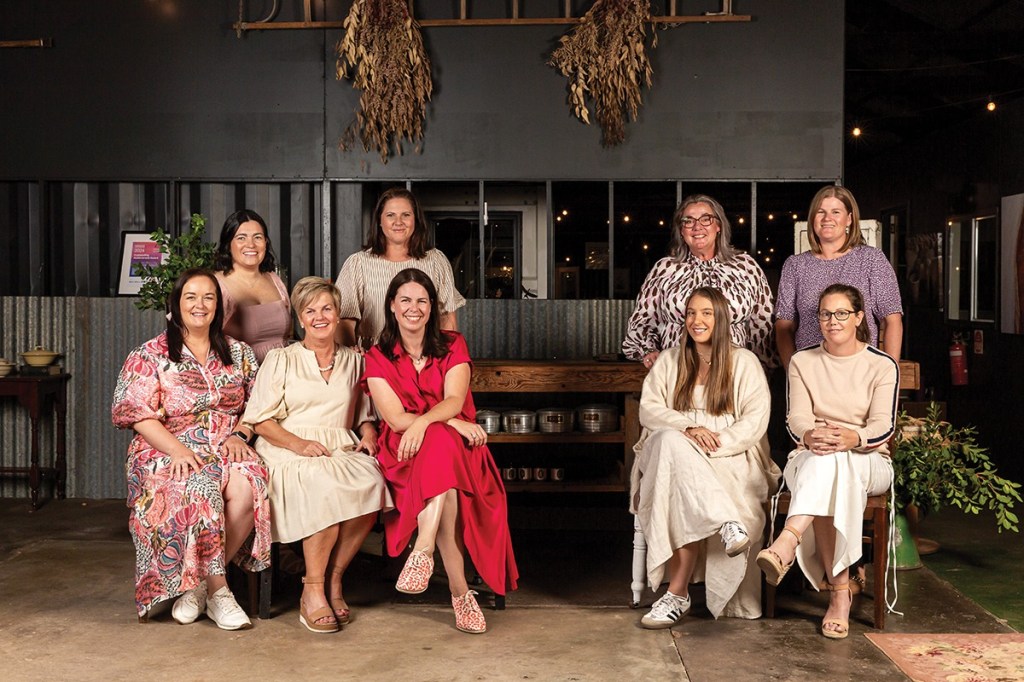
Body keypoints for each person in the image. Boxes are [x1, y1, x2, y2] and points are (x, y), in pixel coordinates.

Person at [111, 268, 270, 629]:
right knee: (201, 489)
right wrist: (178, 451)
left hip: (227, 444)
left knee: (249, 487)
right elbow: (137, 414)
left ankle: (198, 588)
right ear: (176, 304)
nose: (200, 305)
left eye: (209, 297)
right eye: (191, 297)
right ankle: (220, 592)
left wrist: (241, 435)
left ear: (220, 306)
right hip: (166, 446)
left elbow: (260, 405)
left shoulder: (240, 353)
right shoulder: (150, 354)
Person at [363, 268, 518, 634]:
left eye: (422, 300)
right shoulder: (378, 355)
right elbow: (395, 418)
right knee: (441, 451)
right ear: (392, 306)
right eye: (405, 300)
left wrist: (428, 423)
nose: (413, 308)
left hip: (456, 450)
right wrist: (445, 423)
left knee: (442, 455)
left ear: (432, 307)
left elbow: (453, 399)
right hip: (404, 451)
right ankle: (459, 592)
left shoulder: (452, 343)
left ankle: (424, 551)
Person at [242, 277, 392, 633]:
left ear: (339, 314)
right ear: (300, 318)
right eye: (310, 310)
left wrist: (369, 434)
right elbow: (260, 420)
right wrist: (298, 444)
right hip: (285, 447)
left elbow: (365, 416)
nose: (320, 316)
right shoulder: (282, 359)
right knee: (322, 484)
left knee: (372, 480)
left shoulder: (356, 361)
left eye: (327, 308)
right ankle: (312, 589)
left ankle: (334, 579)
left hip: (338, 444)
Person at [631, 287, 780, 628]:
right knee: (669, 441)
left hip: (730, 452)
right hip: (672, 450)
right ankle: (726, 521)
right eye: (691, 313)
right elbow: (649, 410)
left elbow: (755, 420)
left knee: (680, 485)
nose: (697, 321)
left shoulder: (743, 362)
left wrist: (716, 442)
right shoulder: (670, 360)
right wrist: (688, 427)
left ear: (721, 319)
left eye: (706, 313)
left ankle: (677, 594)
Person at [757, 284, 897, 640]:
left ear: (859, 318)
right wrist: (809, 436)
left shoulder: (881, 365)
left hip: (869, 458)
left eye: (841, 314)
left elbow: (884, 425)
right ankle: (839, 594)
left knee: (837, 463)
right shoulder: (803, 361)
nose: (832, 321)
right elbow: (797, 419)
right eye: (824, 314)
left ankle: (787, 541)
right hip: (811, 453)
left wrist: (854, 438)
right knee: (827, 463)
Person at [623, 194, 774, 370]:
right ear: (681, 230)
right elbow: (642, 320)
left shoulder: (745, 266)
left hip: (733, 370)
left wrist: (759, 367)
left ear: (718, 226)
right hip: (677, 370)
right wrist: (648, 350)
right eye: (688, 221)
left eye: (706, 219)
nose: (697, 227)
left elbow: (764, 323)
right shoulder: (664, 269)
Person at [775, 185, 903, 369]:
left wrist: (890, 374)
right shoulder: (795, 266)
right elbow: (783, 326)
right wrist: (793, 372)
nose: (827, 218)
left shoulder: (871, 260)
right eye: (821, 212)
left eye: (836, 212)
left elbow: (893, 321)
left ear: (849, 219)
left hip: (861, 371)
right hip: (811, 371)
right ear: (812, 219)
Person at [336, 187, 465, 349]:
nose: (399, 222)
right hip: (371, 359)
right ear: (379, 221)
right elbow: (345, 321)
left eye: (406, 215)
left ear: (416, 220)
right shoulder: (357, 264)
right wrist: (350, 358)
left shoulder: (436, 261)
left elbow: (447, 318)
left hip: (423, 360)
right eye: (390, 215)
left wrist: (445, 360)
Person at [214, 209, 291, 363]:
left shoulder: (275, 279)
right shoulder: (215, 284)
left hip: (281, 377)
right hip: (240, 379)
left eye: (258, 237)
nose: (251, 244)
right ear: (229, 244)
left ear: (266, 243)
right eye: (241, 238)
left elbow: (289, 335)